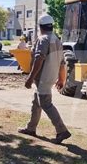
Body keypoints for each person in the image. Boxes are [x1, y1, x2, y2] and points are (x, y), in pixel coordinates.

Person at [18, 14, 71, 144]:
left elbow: (39, 58)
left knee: (46, 104)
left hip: (43, 78)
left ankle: (62, 130)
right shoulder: (56, 40)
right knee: (37, 102)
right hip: (50, 77)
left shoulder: (43, 39)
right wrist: (61, 79)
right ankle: (31, 128)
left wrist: (30, 78)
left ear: (40, 27)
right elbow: (62, 62)